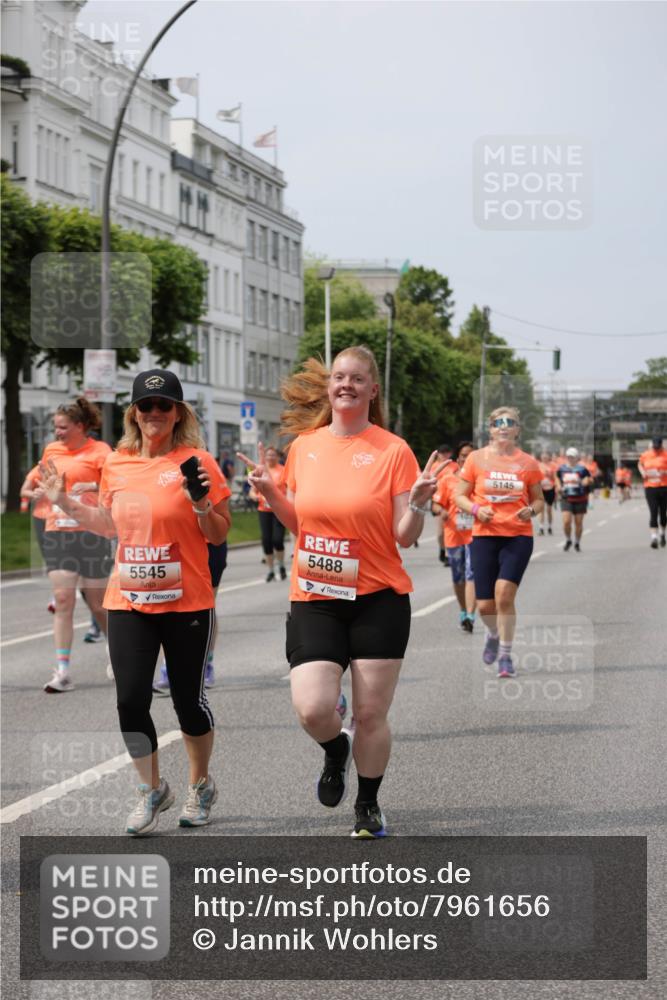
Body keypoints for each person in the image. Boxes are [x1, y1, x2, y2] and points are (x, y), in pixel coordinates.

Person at [239, 347, 441, 839]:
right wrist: (271, 494)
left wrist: (415, 504)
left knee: (371, 713)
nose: (345, 384)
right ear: (329, 388)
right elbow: (298, 524)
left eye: (356, 378)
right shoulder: (304, 447)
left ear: (373, 390)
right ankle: (335, 748)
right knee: (313, 708)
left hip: (378, 598)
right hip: (317, 595)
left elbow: (406, 535)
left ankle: (367, 806)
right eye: (338, 377)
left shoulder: (393, 450)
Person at [40, 370, 231, 835]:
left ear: (178, 413)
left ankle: (200, 785)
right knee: (129, 700)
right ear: (134, 413)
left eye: (164, 406)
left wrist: (202, 504)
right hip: (128, 598)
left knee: (188, 703)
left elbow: (219, 532)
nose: (154, 414)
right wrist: (63, 500)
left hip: (186, 601)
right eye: (146, 406)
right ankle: (151, 790)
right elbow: (108, 523)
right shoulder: (118, 464)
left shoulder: (198, 460)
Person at [455, 407, 544, 679]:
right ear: (490, 429)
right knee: (484, 606)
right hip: (484, 536)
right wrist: (475, 510)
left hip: (518, 536)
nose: (504, 427)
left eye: (510, 423)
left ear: (517, 430)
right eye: (498, 423)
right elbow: (460, 495)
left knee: (504, 594)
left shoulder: (528, 463)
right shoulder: (476, 459)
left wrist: (532, 510)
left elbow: (539, 499)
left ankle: (505, 655)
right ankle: (492, 633)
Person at [36, 397, 112, 693]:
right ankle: (63, 671)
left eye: (63, 427)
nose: (58, 432)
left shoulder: (101, 452)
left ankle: (113, 650)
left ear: (80, 426)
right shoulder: (51, 451)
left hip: (92, 533)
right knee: (63, 600)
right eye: (56, 427)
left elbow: (116, 484)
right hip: (58, 532)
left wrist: (91, 486)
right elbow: (44, 481)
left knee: (99, 605)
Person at [432, 441, 476, 632]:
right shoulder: (448, 480)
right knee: (458, 577)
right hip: (453, 535)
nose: (467, 458)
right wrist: (440, 511)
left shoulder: (482, 481)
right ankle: (463, 609)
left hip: (476, 536)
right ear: (458, 458)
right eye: (464, 455)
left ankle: (471, 616)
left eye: (471, 455)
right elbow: (435, 505)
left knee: (471, 574)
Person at [249, 445, 288, 582]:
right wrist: (258, 497)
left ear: (277, 457)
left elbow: (290, 489)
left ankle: (282, 566)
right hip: (264, 510)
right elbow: (252, 491)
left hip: (279, 510)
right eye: (268, 455)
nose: (270, 457)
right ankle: (271, 570)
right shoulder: (261, 470)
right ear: (264, 457)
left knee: (277, 540)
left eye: (273, 455)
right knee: (266, 541)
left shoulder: (283, 470)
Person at [555, 447, 592, 552]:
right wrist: (558, 486)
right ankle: (568, 539)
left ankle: (577, 542)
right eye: (569, 457)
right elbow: (557, 477)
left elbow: (590, 479)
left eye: (572, 457)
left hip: (580, 498)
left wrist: (587, 481)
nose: (570, 458)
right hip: (566, 498)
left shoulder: (582, 469)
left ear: (577, 458)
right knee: (566, 521)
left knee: (578, 523)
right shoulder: (562, 469)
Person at [638, 437, 667, 548]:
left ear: (661, 445)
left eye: (658, 447)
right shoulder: (646, 454)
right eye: (654, 447)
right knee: (653, 512)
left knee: (663, 514)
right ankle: (654, 538)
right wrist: (643, 472)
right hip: (650, 487)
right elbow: (640, 464)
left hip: (664, 487)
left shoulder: (665, 454)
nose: (656, 449)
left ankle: (663, 534)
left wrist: (664, 472)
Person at [433, 444, 455, 566]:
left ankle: (448, 554)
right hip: (438, 500)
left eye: (447, 452)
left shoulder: (454, 466)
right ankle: (442, 549)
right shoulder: (433, 467)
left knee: (449, 529)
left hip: (450, 500)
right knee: (440, 532)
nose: (444, 455)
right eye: (442, 453)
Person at [537, 450, 557, 535]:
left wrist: (550, 476)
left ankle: (550, 527)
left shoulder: (552, 466)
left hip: (550, 488)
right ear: (541, 457)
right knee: (541, 509)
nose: (544, 458)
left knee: (549, 510)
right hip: (541, 489)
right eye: (543, 456)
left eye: (546, 456)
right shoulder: (538, 465)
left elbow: (555, 478)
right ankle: (541, 527)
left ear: (548, 457)